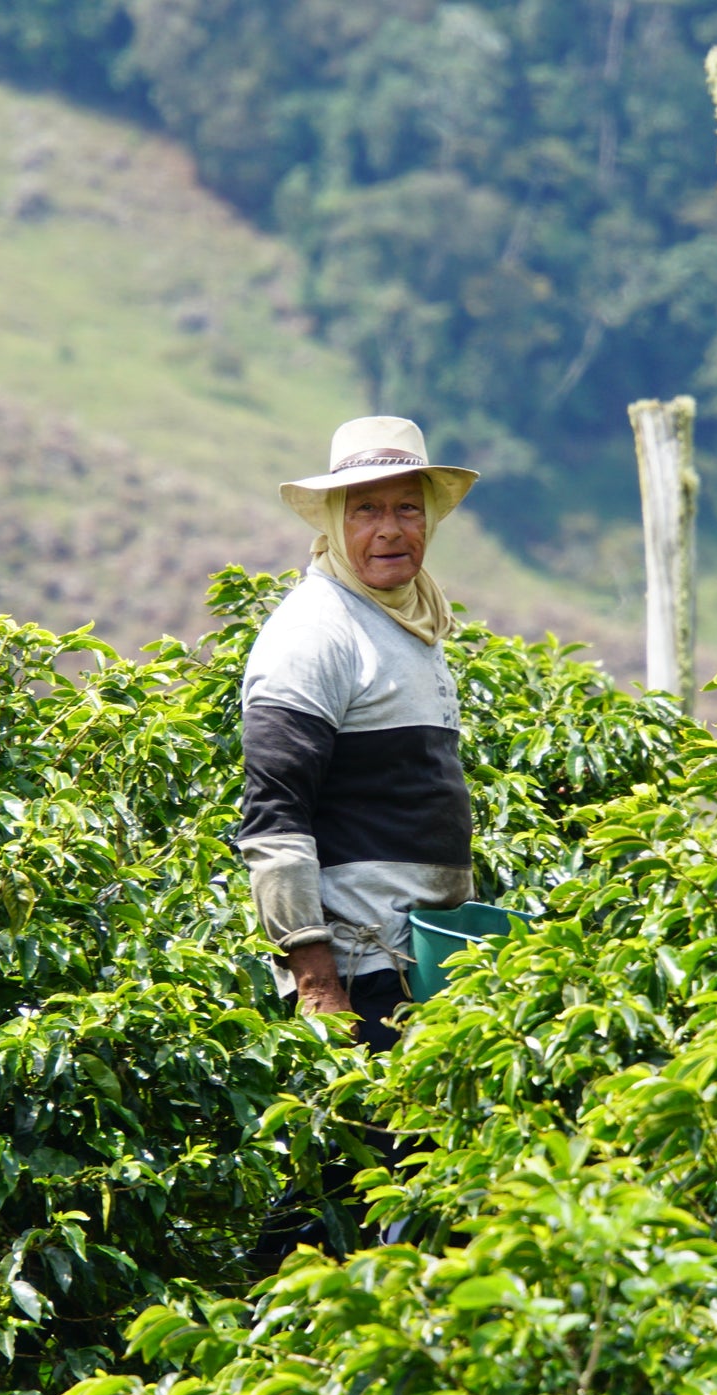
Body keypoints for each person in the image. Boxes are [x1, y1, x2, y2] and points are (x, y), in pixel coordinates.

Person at [238, 415, 479, 1052]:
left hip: (428, 961)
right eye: (365, 509)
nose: (390, 529)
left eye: (408, 507)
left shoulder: (412, 619)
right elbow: (275, 819)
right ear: (334, 525)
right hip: (363, 973)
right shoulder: (316, 632)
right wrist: (317, 985)